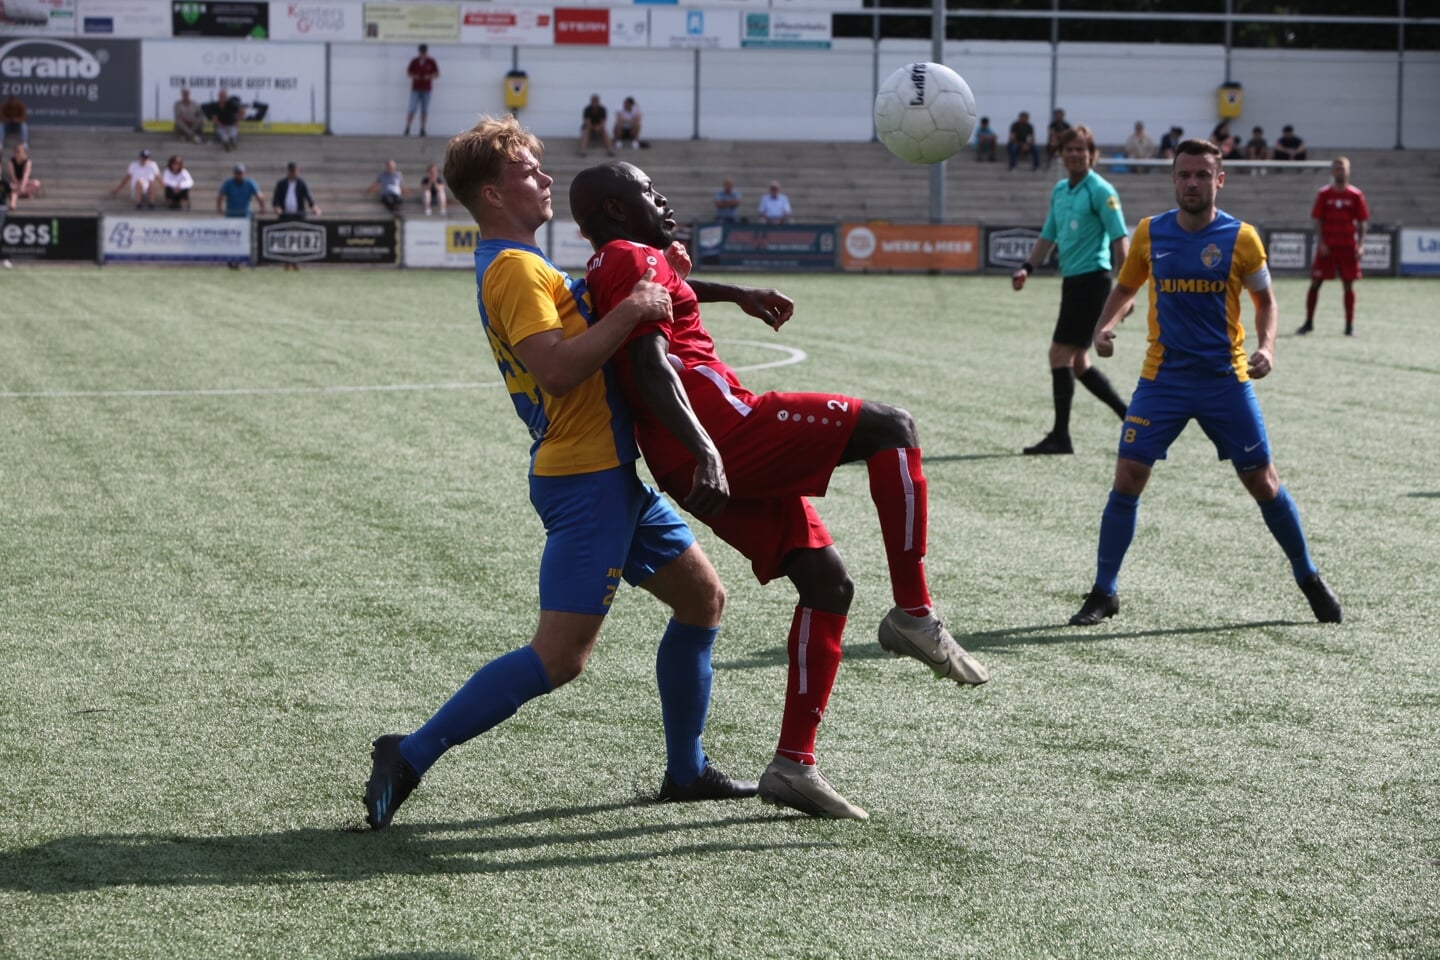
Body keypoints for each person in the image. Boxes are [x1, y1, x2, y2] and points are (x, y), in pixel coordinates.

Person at [360, 115, 755, 830]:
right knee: (560, 657)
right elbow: (559, 369)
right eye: (529, 171)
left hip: (610, 476)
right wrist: (635, 307)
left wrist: (712, 292)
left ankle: (687, 772)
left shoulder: (528, 266)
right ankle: (409, 753)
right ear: (491, 192)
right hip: (585, 481)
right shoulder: (512, 269)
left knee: (703, 601)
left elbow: (618, 306)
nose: (546, 180)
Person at [573, 160, 990, 820]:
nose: (666, 202)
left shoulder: (613, 265)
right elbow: (653, 366)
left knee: (828, 584)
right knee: (892, 427)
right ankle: (914, 613)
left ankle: (792, 765)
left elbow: (666, 289)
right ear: (620, 211)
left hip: (686, 461)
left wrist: (732, 291)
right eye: (650, 193)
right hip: (719, 433)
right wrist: (709, 445)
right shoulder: (632, 255)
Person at [1068, 138, 1342, 629]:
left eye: (1201, 175)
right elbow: (1127, 287)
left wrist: (1268, 347)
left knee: (1262, 480)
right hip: (1162, 379)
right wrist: (1104, 326)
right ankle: (1104, 591)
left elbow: (1267, 303)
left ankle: (1309, 577)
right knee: (1128, 477)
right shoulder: (1151, 232)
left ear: (1219, 179)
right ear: (1174, 179)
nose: (1191, 183)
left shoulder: (1242, 238)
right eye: (1183, 175)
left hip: (1225, 379)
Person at [1011, 125, 1132, 456]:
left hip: (1093, 281)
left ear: (1092, 153)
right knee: (1078, 362)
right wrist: (1027, 268)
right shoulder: (1061, 190)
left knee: (1058, 355)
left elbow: (1120, 238)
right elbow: (1047, 236)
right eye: (1070, 149)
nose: (1077, 154)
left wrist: (1127, 290)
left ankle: (1061, 437)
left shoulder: (1100, 190)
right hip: (1074, 282)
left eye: (1082, 149)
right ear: (1060, 154)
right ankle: (1130, 418)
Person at [1298, 156, 1369, 337]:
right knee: (1315, 283)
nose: (1340, 171)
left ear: (1348, 171)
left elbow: (1362, 222)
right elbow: (1317, 219)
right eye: (1337, 168)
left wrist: (1360, 245)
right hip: (1327, 247)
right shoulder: (1324, 194)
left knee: (1348, 285)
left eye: (1343, 168)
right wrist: (1321, 242)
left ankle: (1349, 326)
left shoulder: (1356, 195)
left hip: (1347, 247)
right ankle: (1308, 323)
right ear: (1332, 171)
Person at [404, 44, 439, 137]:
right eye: (421, 52)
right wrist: (415, 76)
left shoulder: (431, 61)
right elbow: (408, 72)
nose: (423, 54)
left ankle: (422, 129)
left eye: (424, 52)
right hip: (416, 88)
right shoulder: (414, 61)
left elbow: (437, 74)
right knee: (412, 109)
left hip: (426, 89)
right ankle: (407, 127)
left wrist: (429, 77)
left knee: (424, 110)